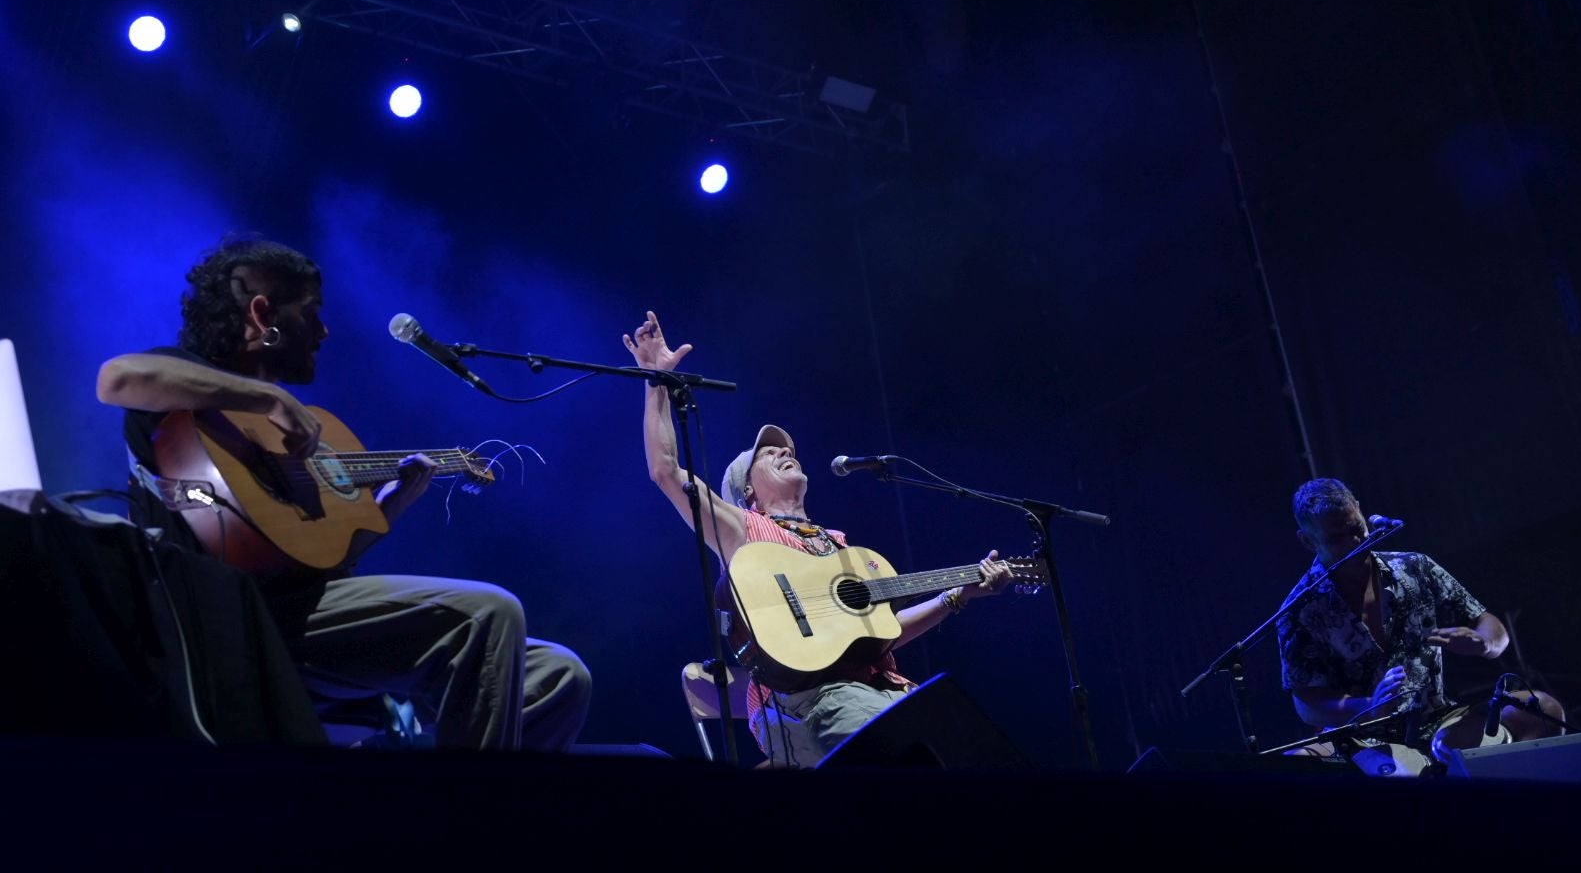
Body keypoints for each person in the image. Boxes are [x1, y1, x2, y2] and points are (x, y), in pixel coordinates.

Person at [97, 235, 591, 751]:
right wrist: (267, 397)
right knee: (490, 613)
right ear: (263, 313)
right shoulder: (188, 389)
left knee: (558, 676)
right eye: (310, 313)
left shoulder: (308, 437)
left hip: (301, 623)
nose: (323, 331)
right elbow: (116, 378)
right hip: (227, 622)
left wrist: (393, 504)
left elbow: (317, 562)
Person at [623, 309, 1014, 767]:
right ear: (748, 490)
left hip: (882, 690)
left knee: (975, 754)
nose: (786, 452)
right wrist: (656, 382)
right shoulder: (744, 529)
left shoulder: (840, 548)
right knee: (910, 757)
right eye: (769, 453)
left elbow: (877, 636)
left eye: (787, 449)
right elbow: (665, 471)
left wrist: (959, 594)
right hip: (805, 698)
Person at [1277, 477, 1564, 773]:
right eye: (1337, 538)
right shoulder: (1299, 610)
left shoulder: (1415, 567)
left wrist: (1483, 643)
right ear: (1308, 541)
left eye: (1356, 528)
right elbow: (1307, 704)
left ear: (1361, 511)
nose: (1354, 542)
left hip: (1440, 719)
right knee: (1290, 769)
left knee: (1543, 710)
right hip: (1362, 737)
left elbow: (1489, 625)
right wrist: (1367, 706)